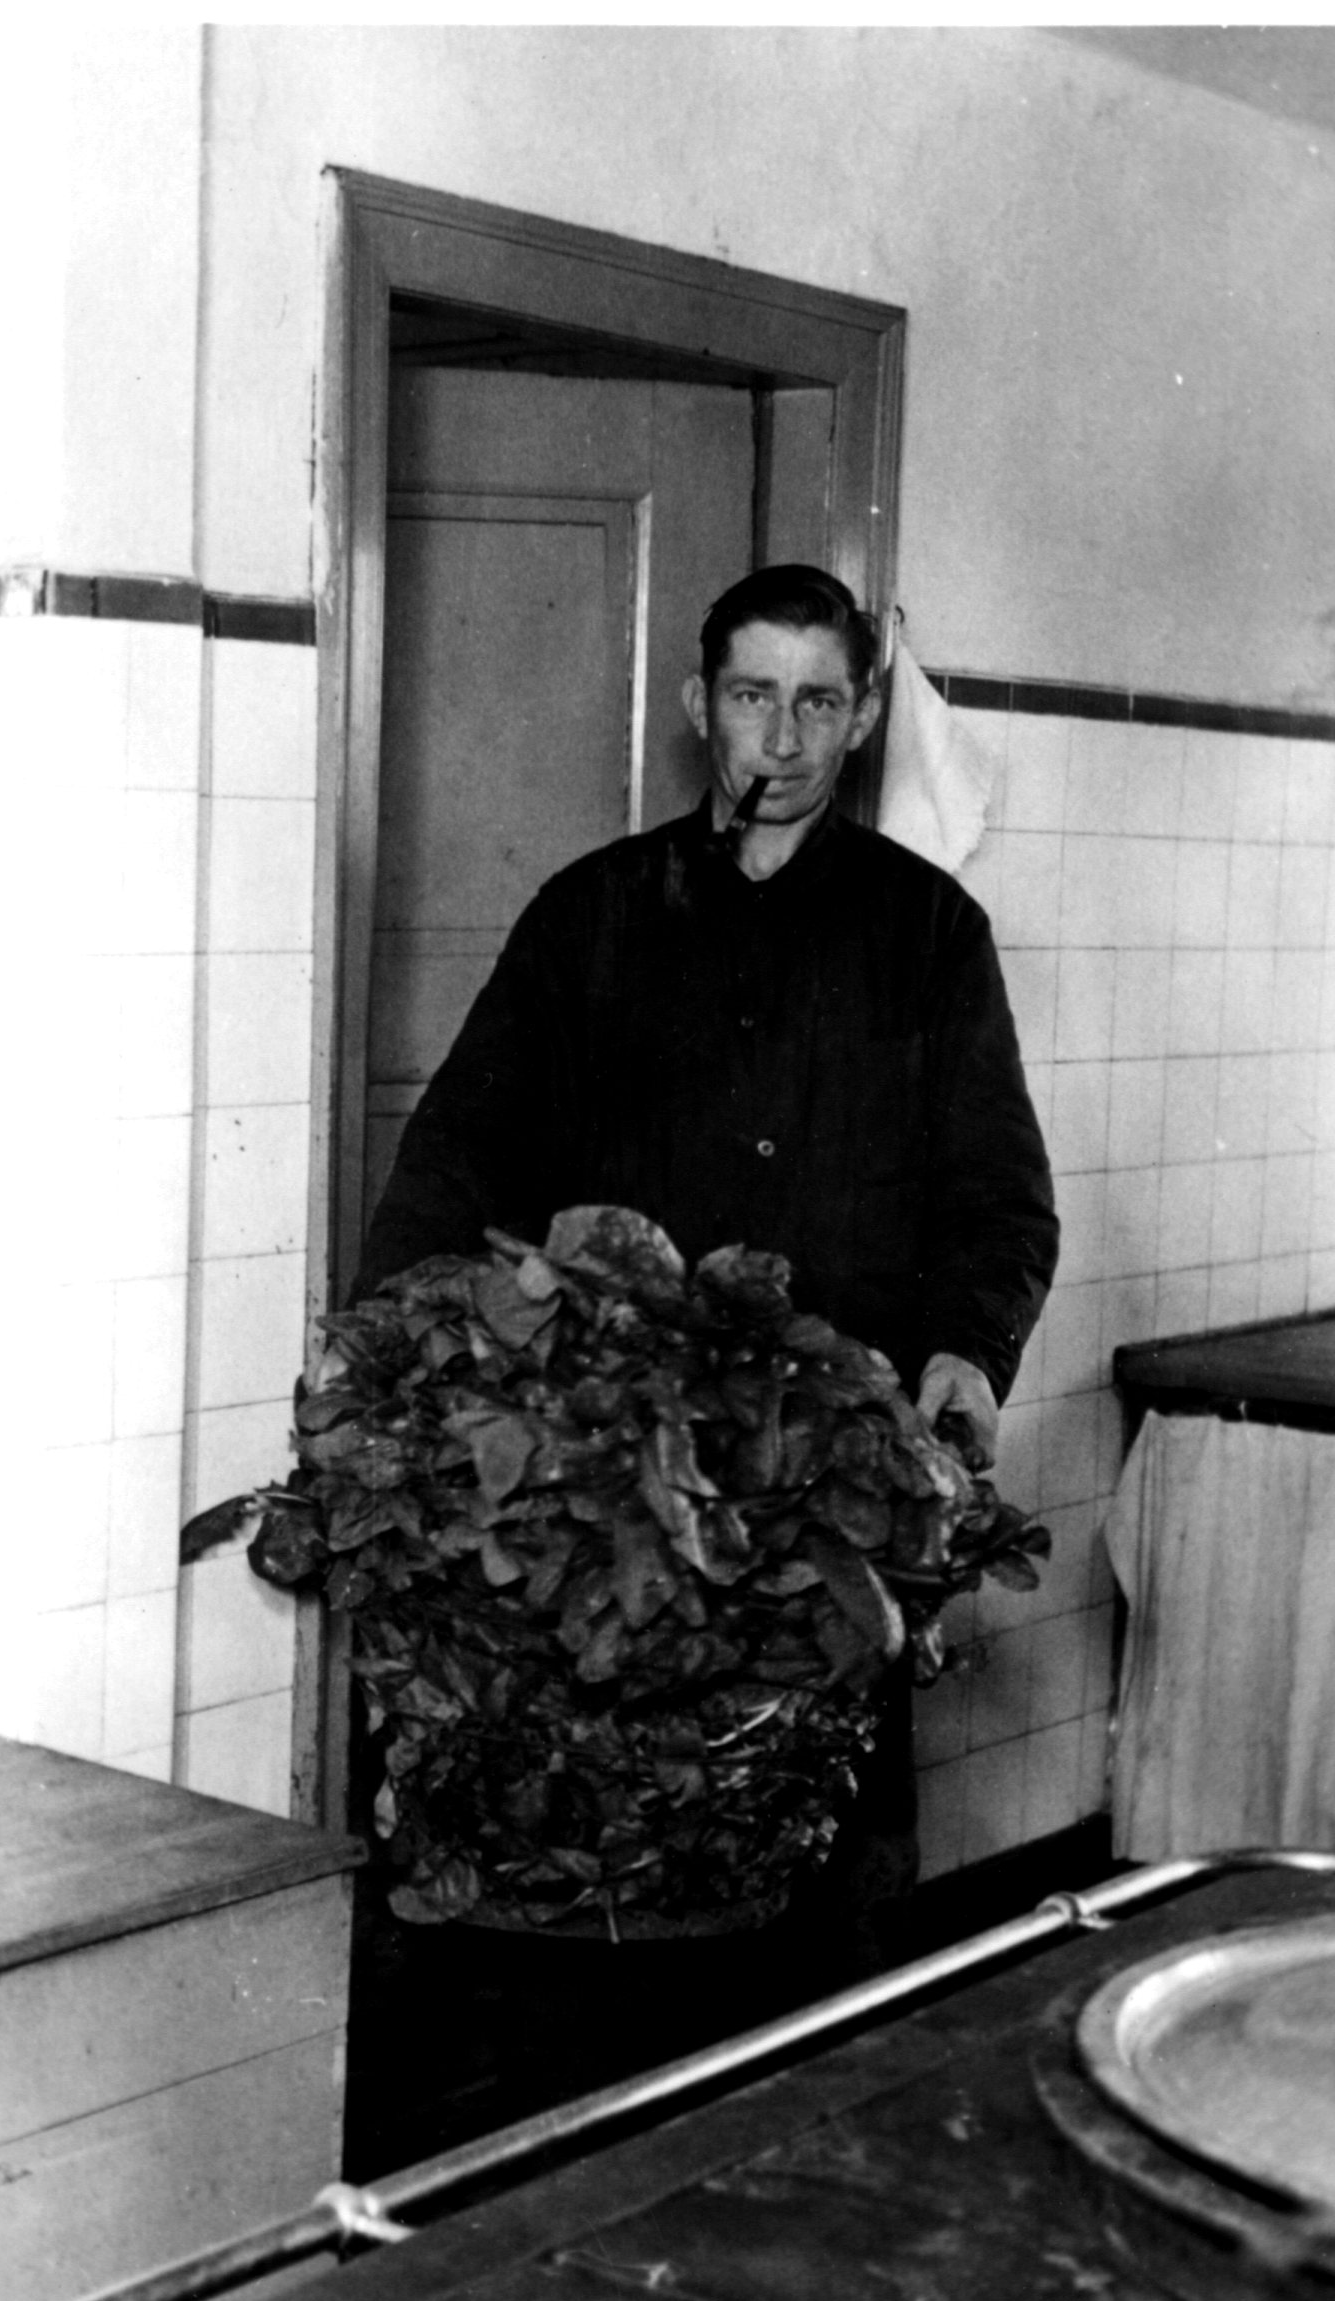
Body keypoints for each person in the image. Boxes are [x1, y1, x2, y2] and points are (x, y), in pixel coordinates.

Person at [340, 564, 1057, 2171]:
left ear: (860, 719)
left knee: (817, 1911)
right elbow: (453, 1160)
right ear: (698, 705)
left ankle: (805, 2186)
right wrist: (397, 1359)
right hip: (617, 1498)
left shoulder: (929, 938)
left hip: (821, 1500)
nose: (781, 739)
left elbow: (1000, 1202)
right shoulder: (591, 916)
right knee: (589, 1919)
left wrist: (967, 1348)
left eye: (817, 701)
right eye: (751, 696)